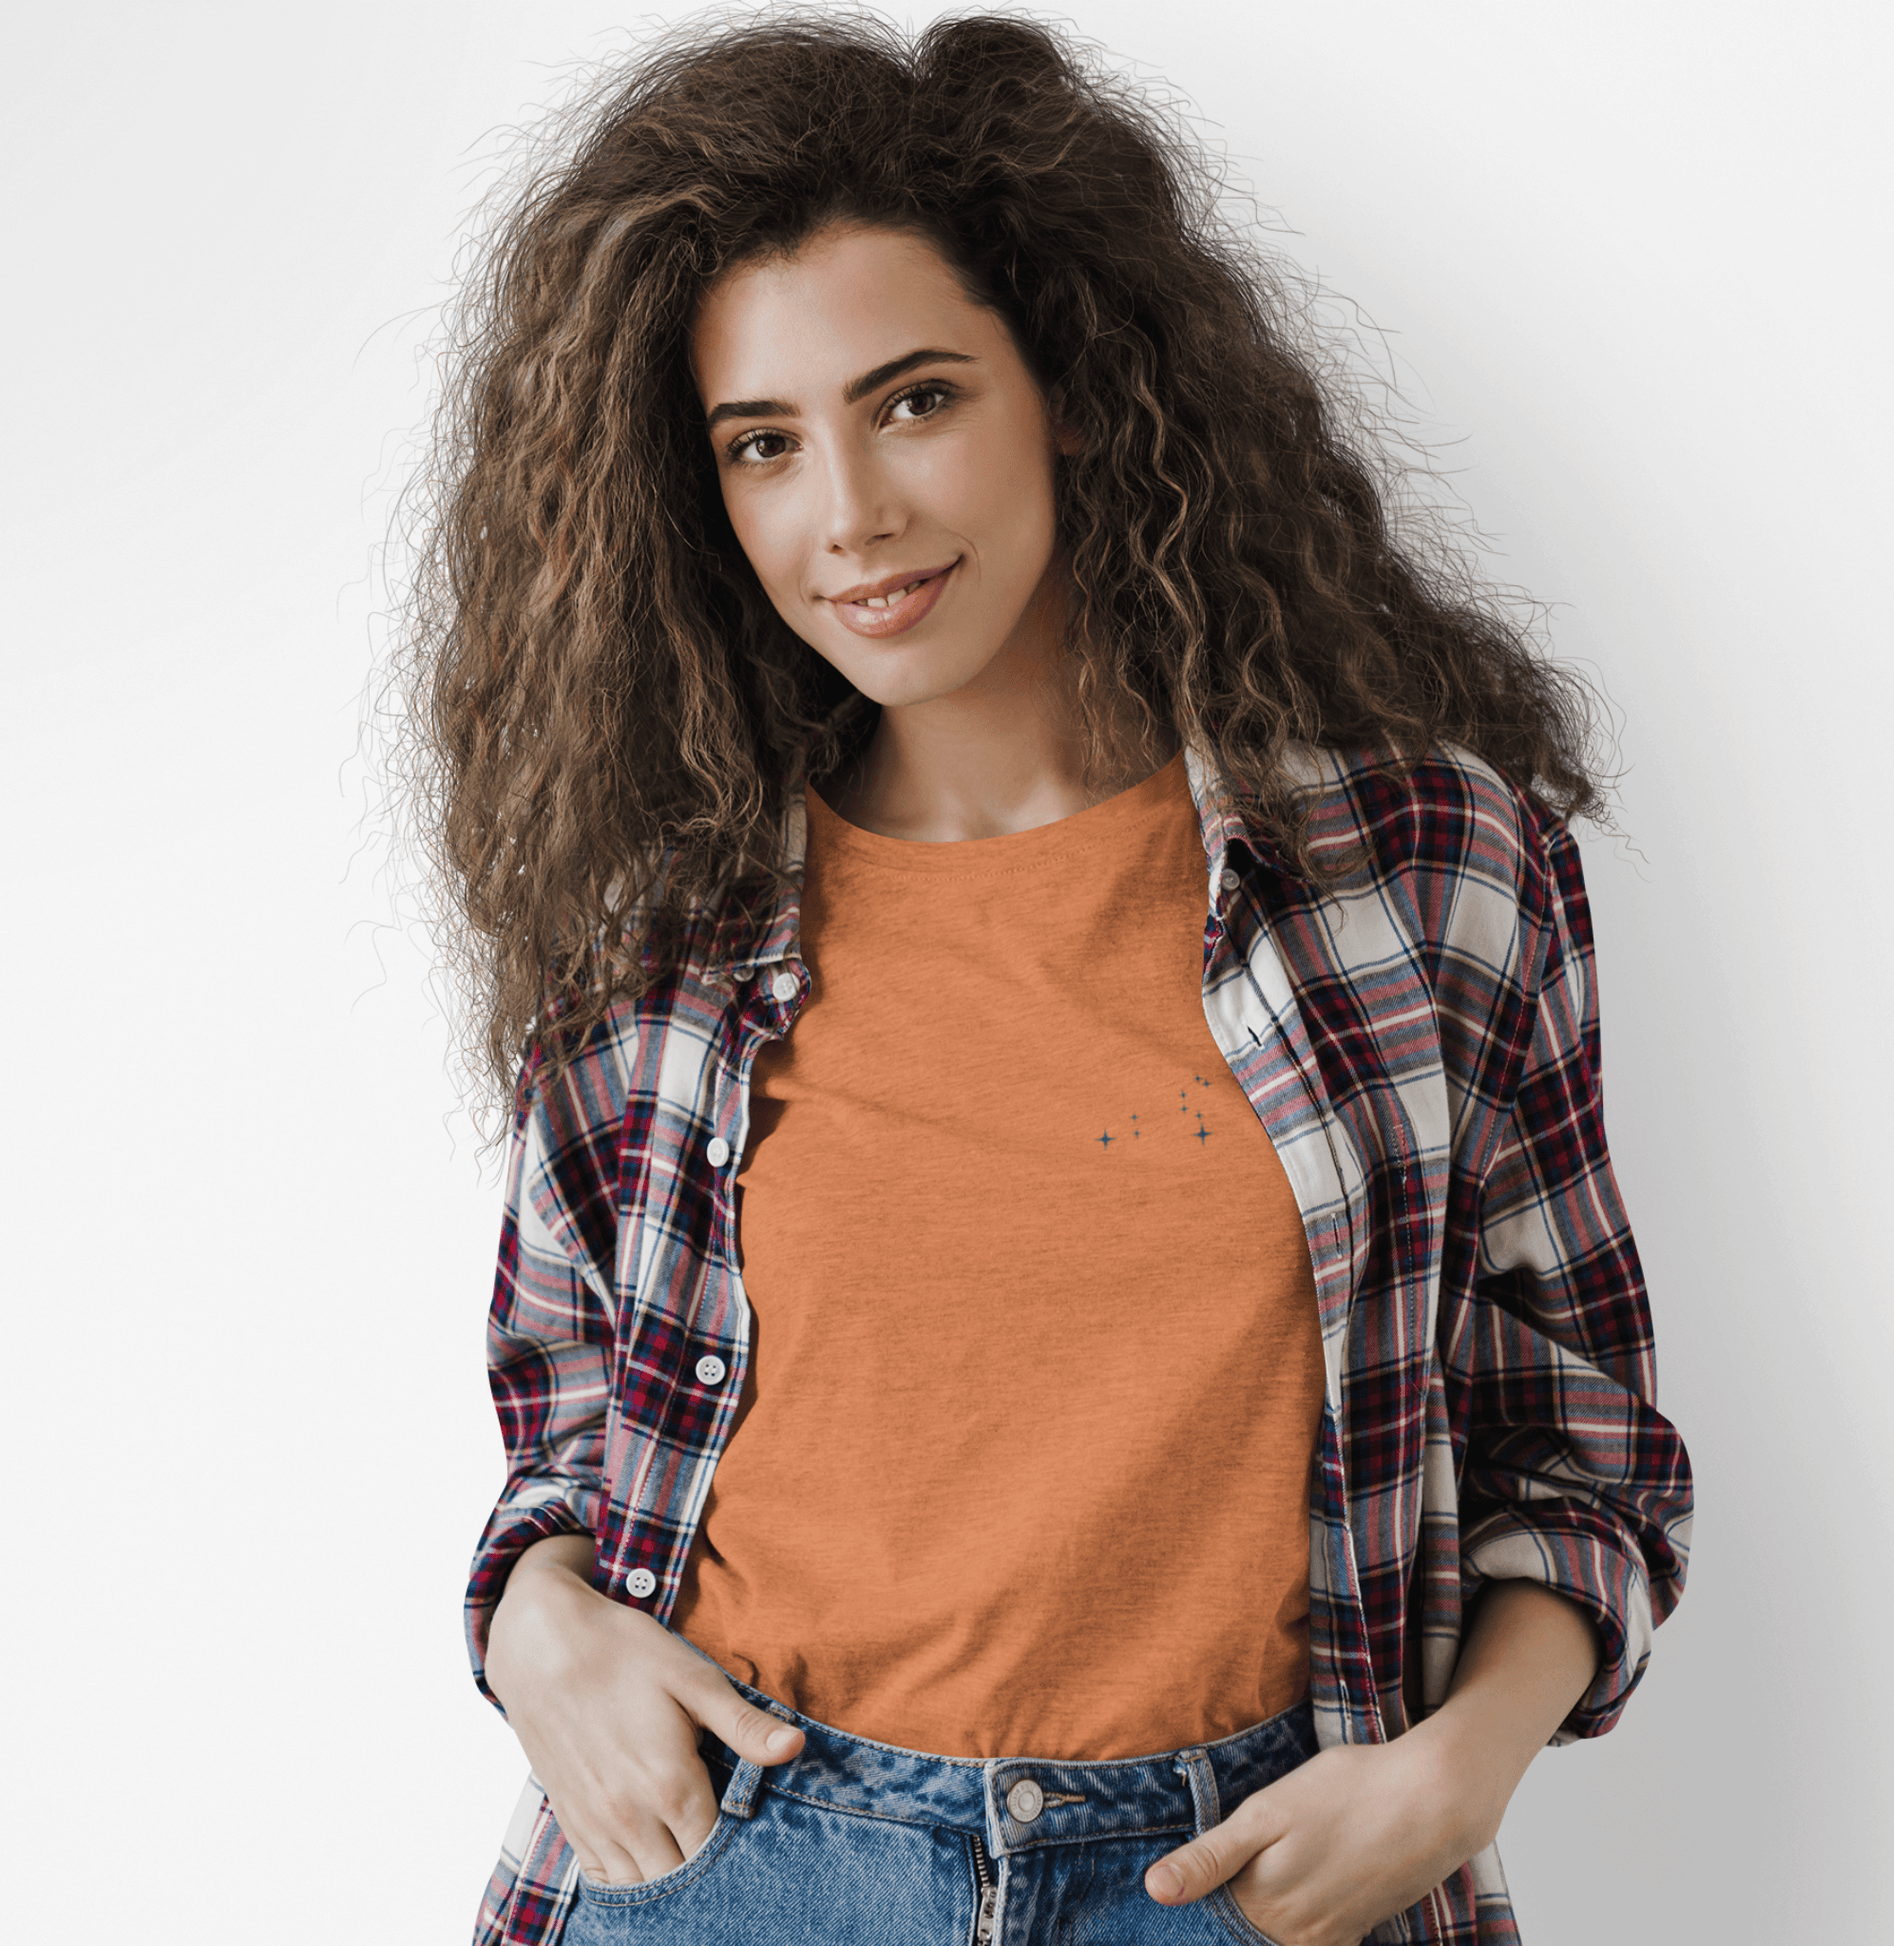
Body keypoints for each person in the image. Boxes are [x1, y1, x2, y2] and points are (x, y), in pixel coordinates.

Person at [394, 13, 1693, 1945]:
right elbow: (569, 1415)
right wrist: (528, 1625)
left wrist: (1458, 1763)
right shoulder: (651, 932)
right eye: (764, 442)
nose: (848, 513)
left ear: (1068, 388)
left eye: (913, 400)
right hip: (734, 1862)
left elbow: (1575, 1430)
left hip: (1253, 1874)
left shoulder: (1426, 877)